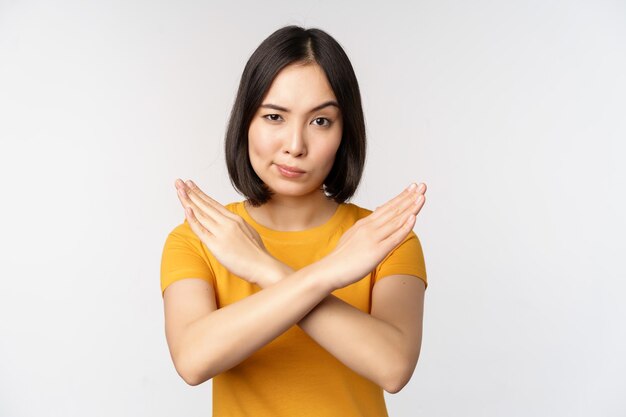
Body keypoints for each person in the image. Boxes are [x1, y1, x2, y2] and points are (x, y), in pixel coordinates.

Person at [160, 25, 428, 417]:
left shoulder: (384, 238)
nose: (295, 145)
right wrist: (328, 274)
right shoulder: (200, 238)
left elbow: (393, 367)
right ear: (245, 121)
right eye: (274, 117)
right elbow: (193, 360)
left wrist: (261, 268)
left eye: (320, 121)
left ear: (344, 131)